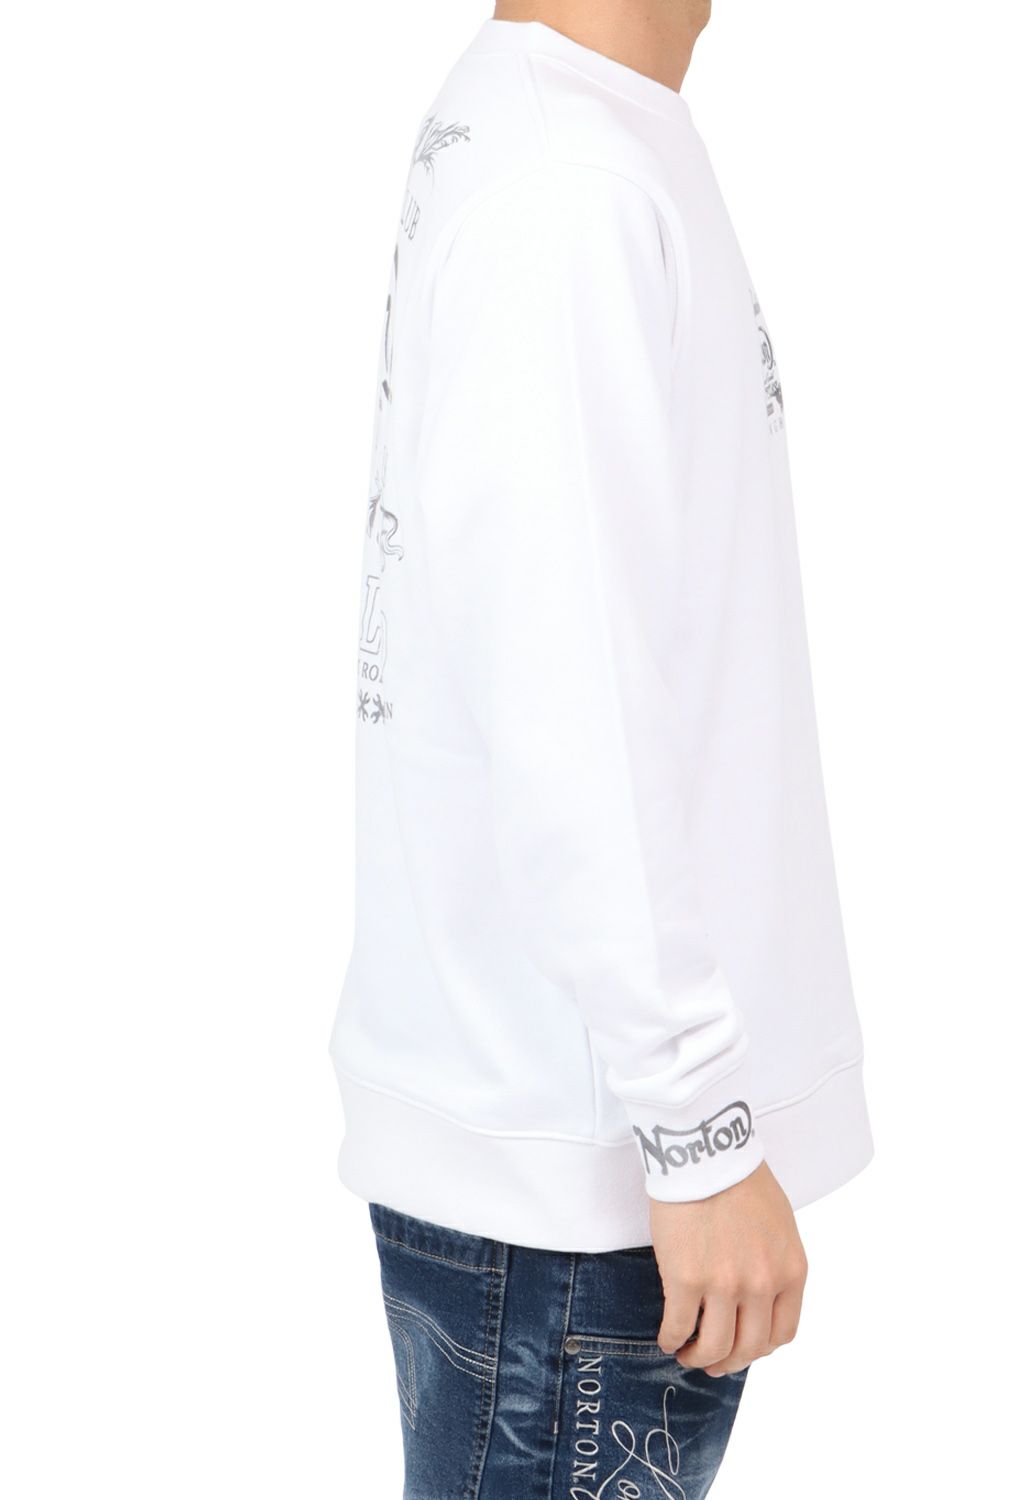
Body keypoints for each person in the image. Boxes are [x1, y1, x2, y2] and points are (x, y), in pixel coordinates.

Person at [329, 3, 873, 1492]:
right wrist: (698, 1127)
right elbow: (569, 703)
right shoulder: (569, 181)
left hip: (577, 1174)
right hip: (587, 1199)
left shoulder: (581, 135)